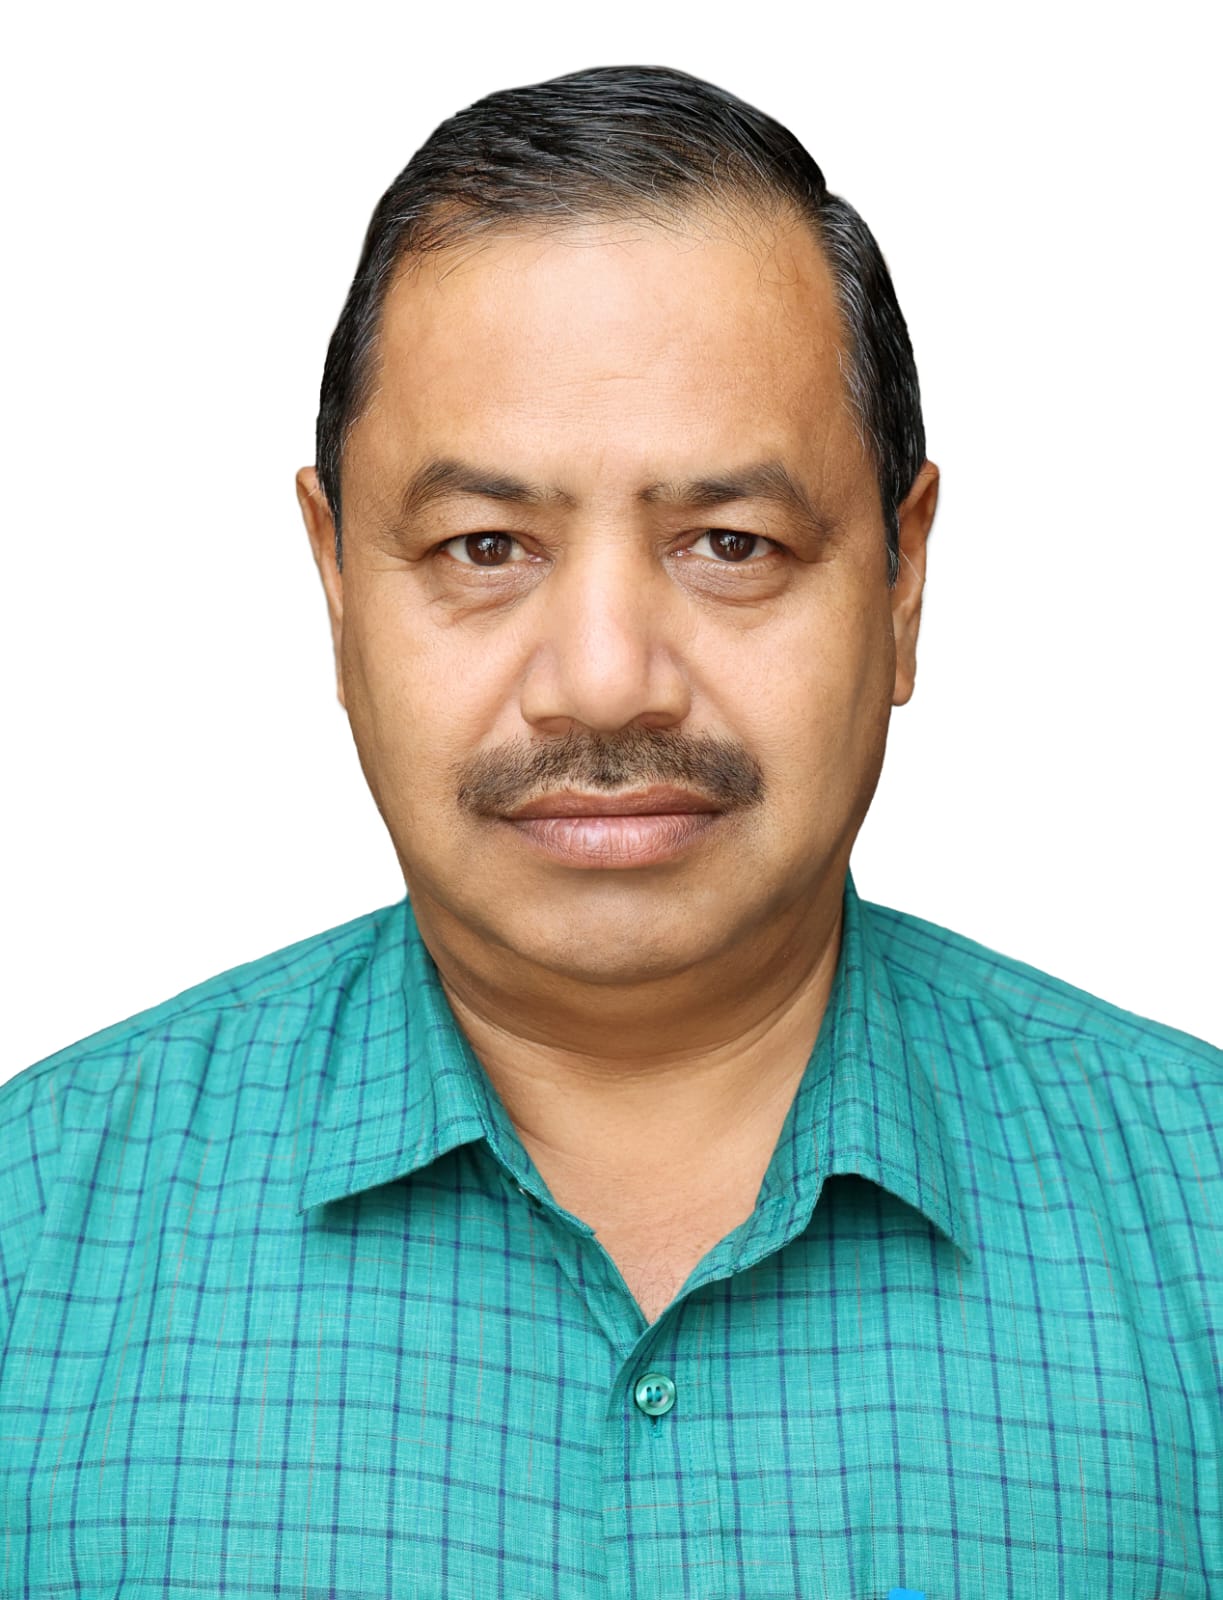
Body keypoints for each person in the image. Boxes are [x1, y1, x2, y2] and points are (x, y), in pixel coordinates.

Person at [2, 62, 1218, 1600]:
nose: (603, 680)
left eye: (730, 543)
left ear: (902, 583)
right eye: (484, 545)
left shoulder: (1200, 1219)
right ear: (335, 581)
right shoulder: (29, 1242)